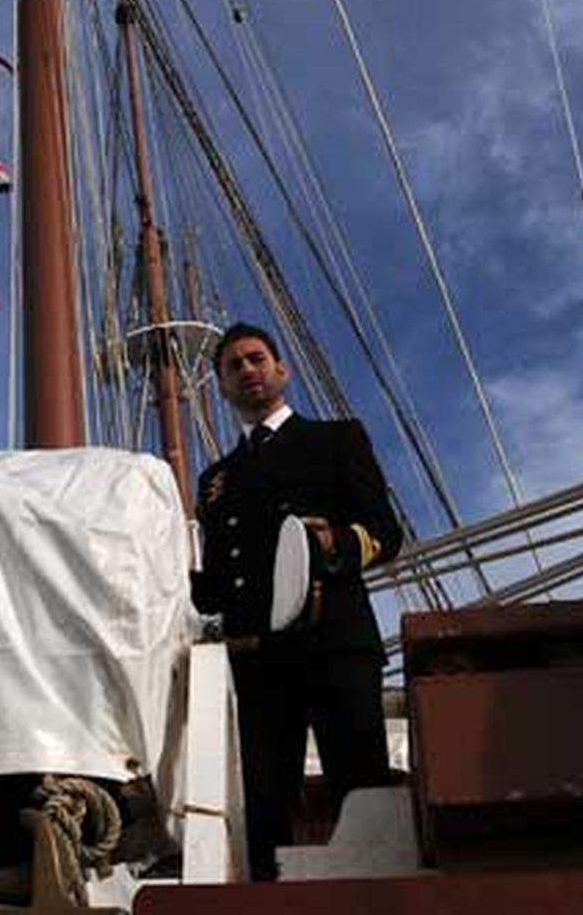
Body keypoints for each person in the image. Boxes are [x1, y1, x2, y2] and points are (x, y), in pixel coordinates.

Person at [192, 321, 402, 882]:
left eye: (256, 358)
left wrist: (332, 544)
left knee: (362, 797)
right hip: (258, 661)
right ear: (222, 385)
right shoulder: (215, 480)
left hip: (335, 644)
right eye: (232, 366)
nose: (246, 371)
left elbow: (385, 530)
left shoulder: (336, 440)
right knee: (265, 810)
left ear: (281, 370)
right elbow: (213, 582)